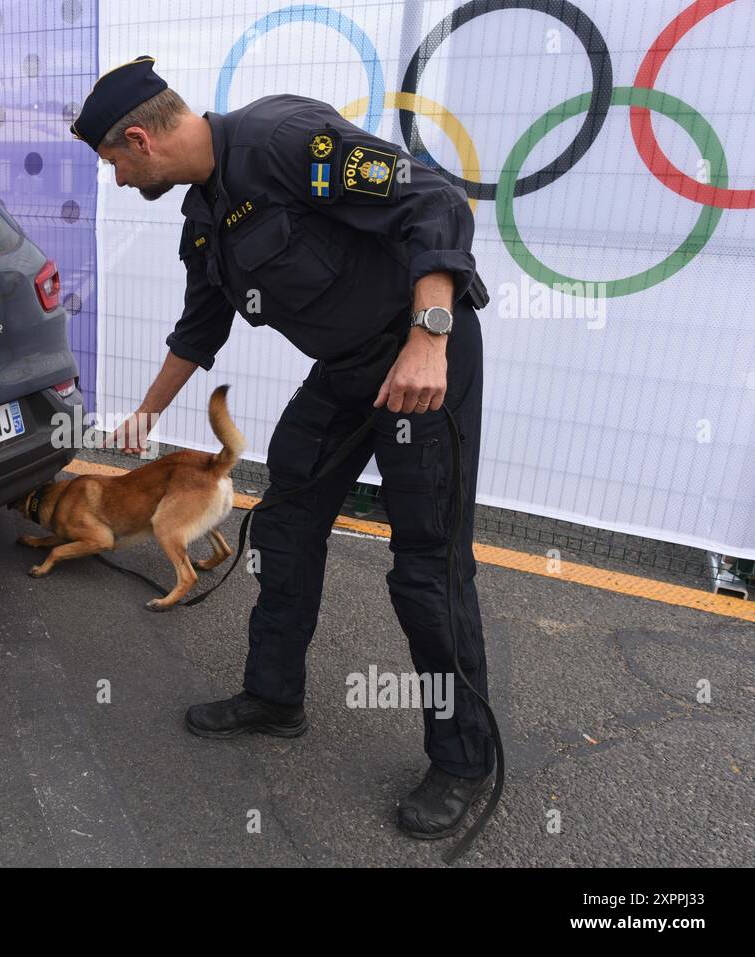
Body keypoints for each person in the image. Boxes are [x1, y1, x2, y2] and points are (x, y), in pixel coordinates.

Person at [71, 56, 495, 840]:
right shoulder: (204, 216)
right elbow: (202, 328)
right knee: (284, 527)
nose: (119, 179)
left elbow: (433, 200)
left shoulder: (282, 139)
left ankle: (465, 757)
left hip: (420, 356)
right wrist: (144, 414)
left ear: (139, 139)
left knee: (427, 571)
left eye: (114, 164)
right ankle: (274, 695)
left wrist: (429, 337)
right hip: (345, 372)